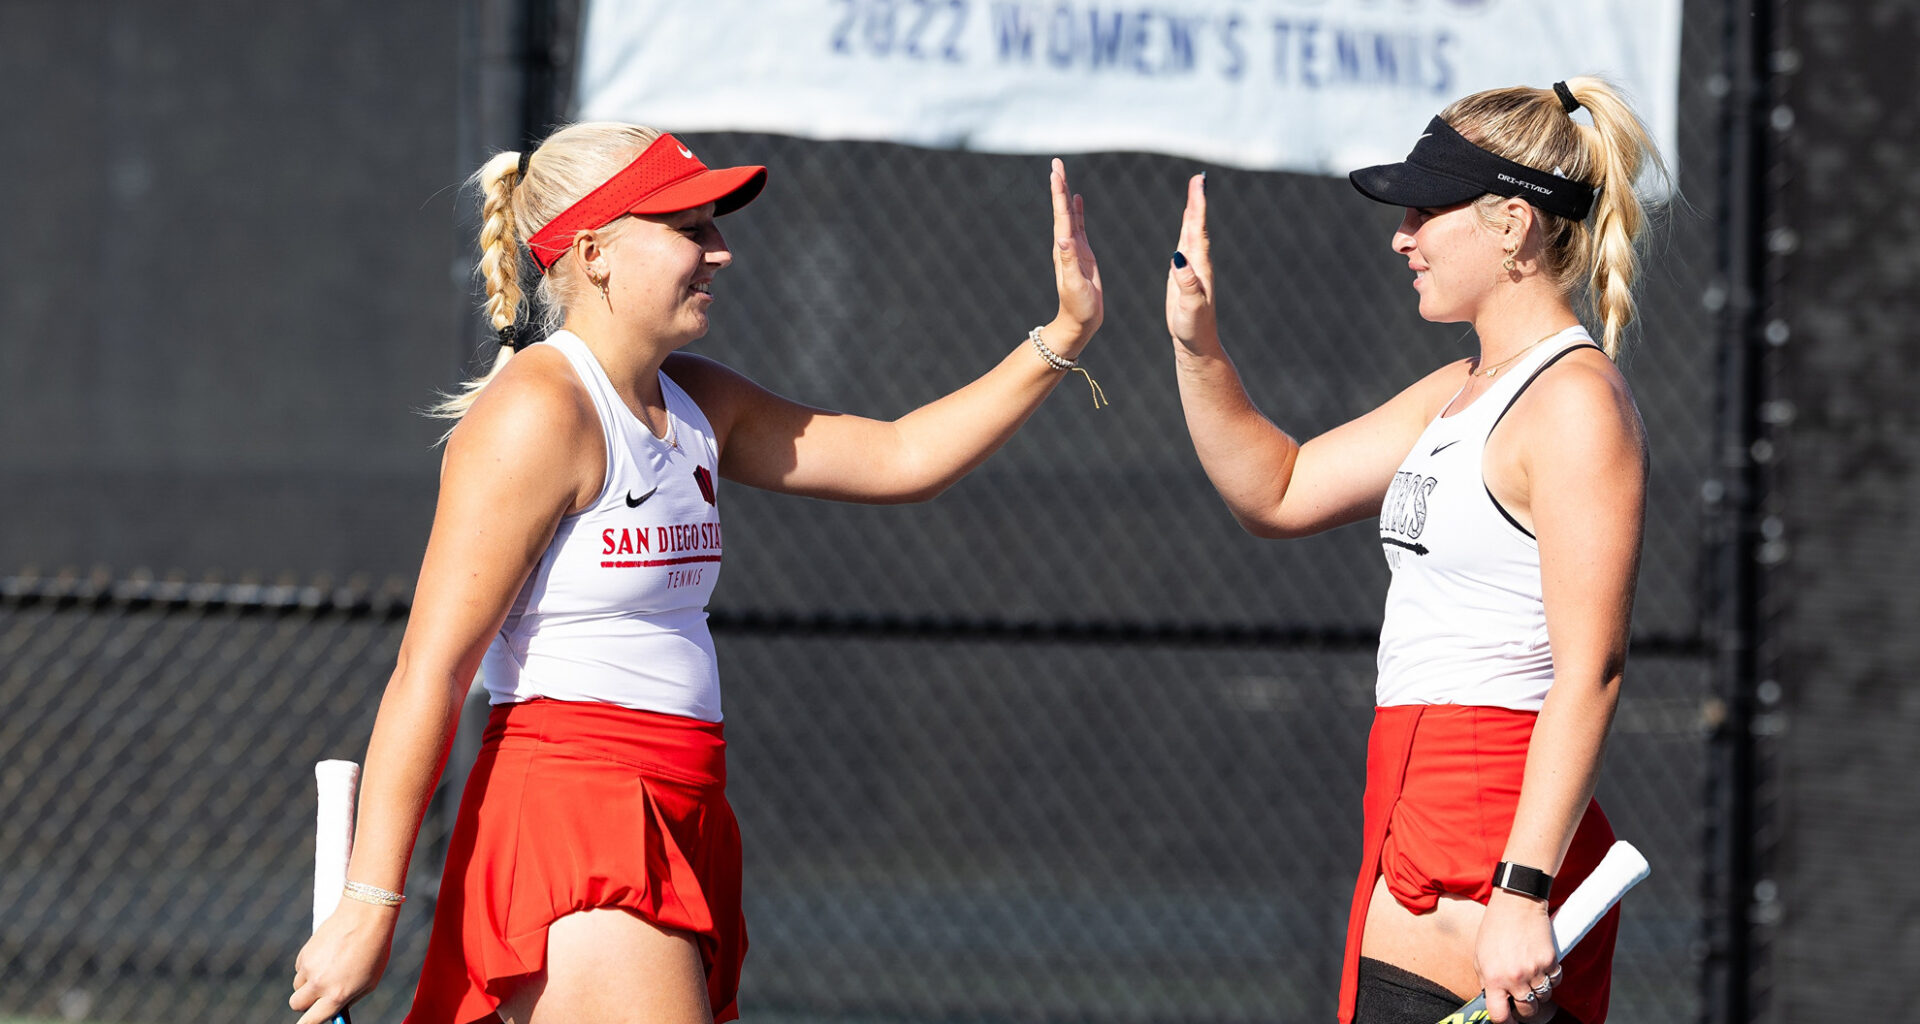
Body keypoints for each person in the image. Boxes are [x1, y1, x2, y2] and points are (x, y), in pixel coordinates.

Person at [288, 122, 1104, 1024]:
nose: (720, 250)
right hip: (579, 815)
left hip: (686, 806)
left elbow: (904, 455)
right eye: (689, 228)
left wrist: (1062, 336)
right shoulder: (538, 411)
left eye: (713, 225)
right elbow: (429, 671)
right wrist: (370, 907)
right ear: (594, 253)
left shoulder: (698, 399)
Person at [1162, 78, 1665, 1024]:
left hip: (1493, 847)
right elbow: (1276, 490)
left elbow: (1590, 671)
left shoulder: (1574, 404)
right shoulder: (1459, 386)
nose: (1403, 236)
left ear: (1512, 223)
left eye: (1426, 210)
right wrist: (1197, 348)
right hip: (1407, 812)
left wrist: (1522, 888)